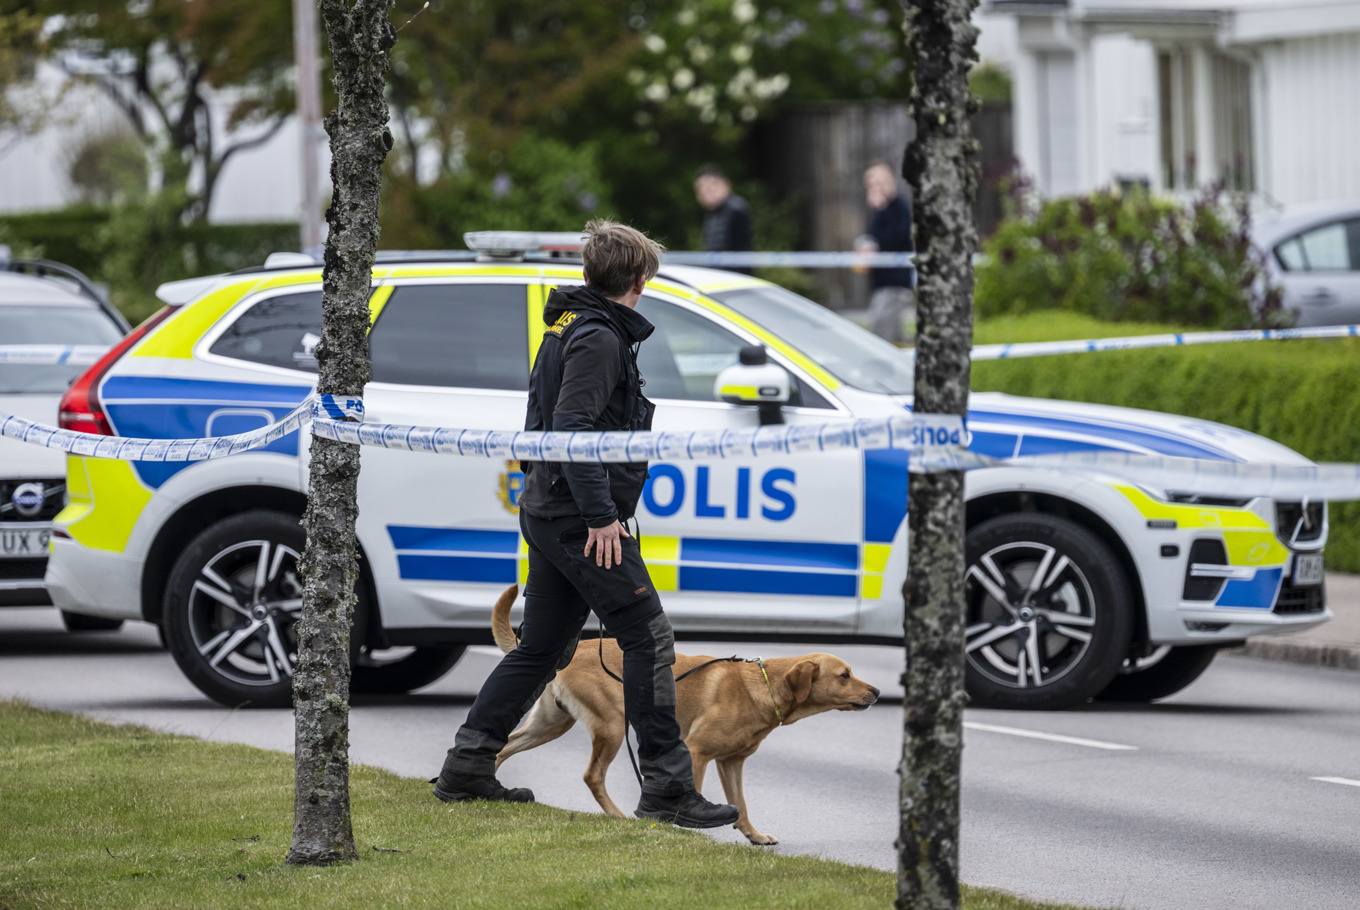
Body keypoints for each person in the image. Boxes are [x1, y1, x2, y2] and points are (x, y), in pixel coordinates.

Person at [431, 219, 741, 831]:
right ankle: (669, 789)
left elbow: (548, 425)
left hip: (551, 509)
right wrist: (601, 515)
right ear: (642, 279)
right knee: (647, 637)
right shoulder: (598, 337)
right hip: (578, 518)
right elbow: (573, 431)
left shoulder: (571, 326)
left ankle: (467, 765)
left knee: (543, 647)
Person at [861, 160, 915, 343]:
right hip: (882, 282)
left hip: (895, 282)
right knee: (892, 335)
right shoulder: (880, 210)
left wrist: (880, 210)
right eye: (871, 184)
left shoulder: (900, 207)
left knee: (880, 335)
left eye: (879, 182)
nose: (875, 187)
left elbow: (892, 240)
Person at [694, 165, 753, 274]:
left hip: (735, 275)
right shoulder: (711, 214)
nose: (705, 194)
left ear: (726, 185)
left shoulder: (736, 208)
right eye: (701, 191)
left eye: (710, 188)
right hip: (718, 275)